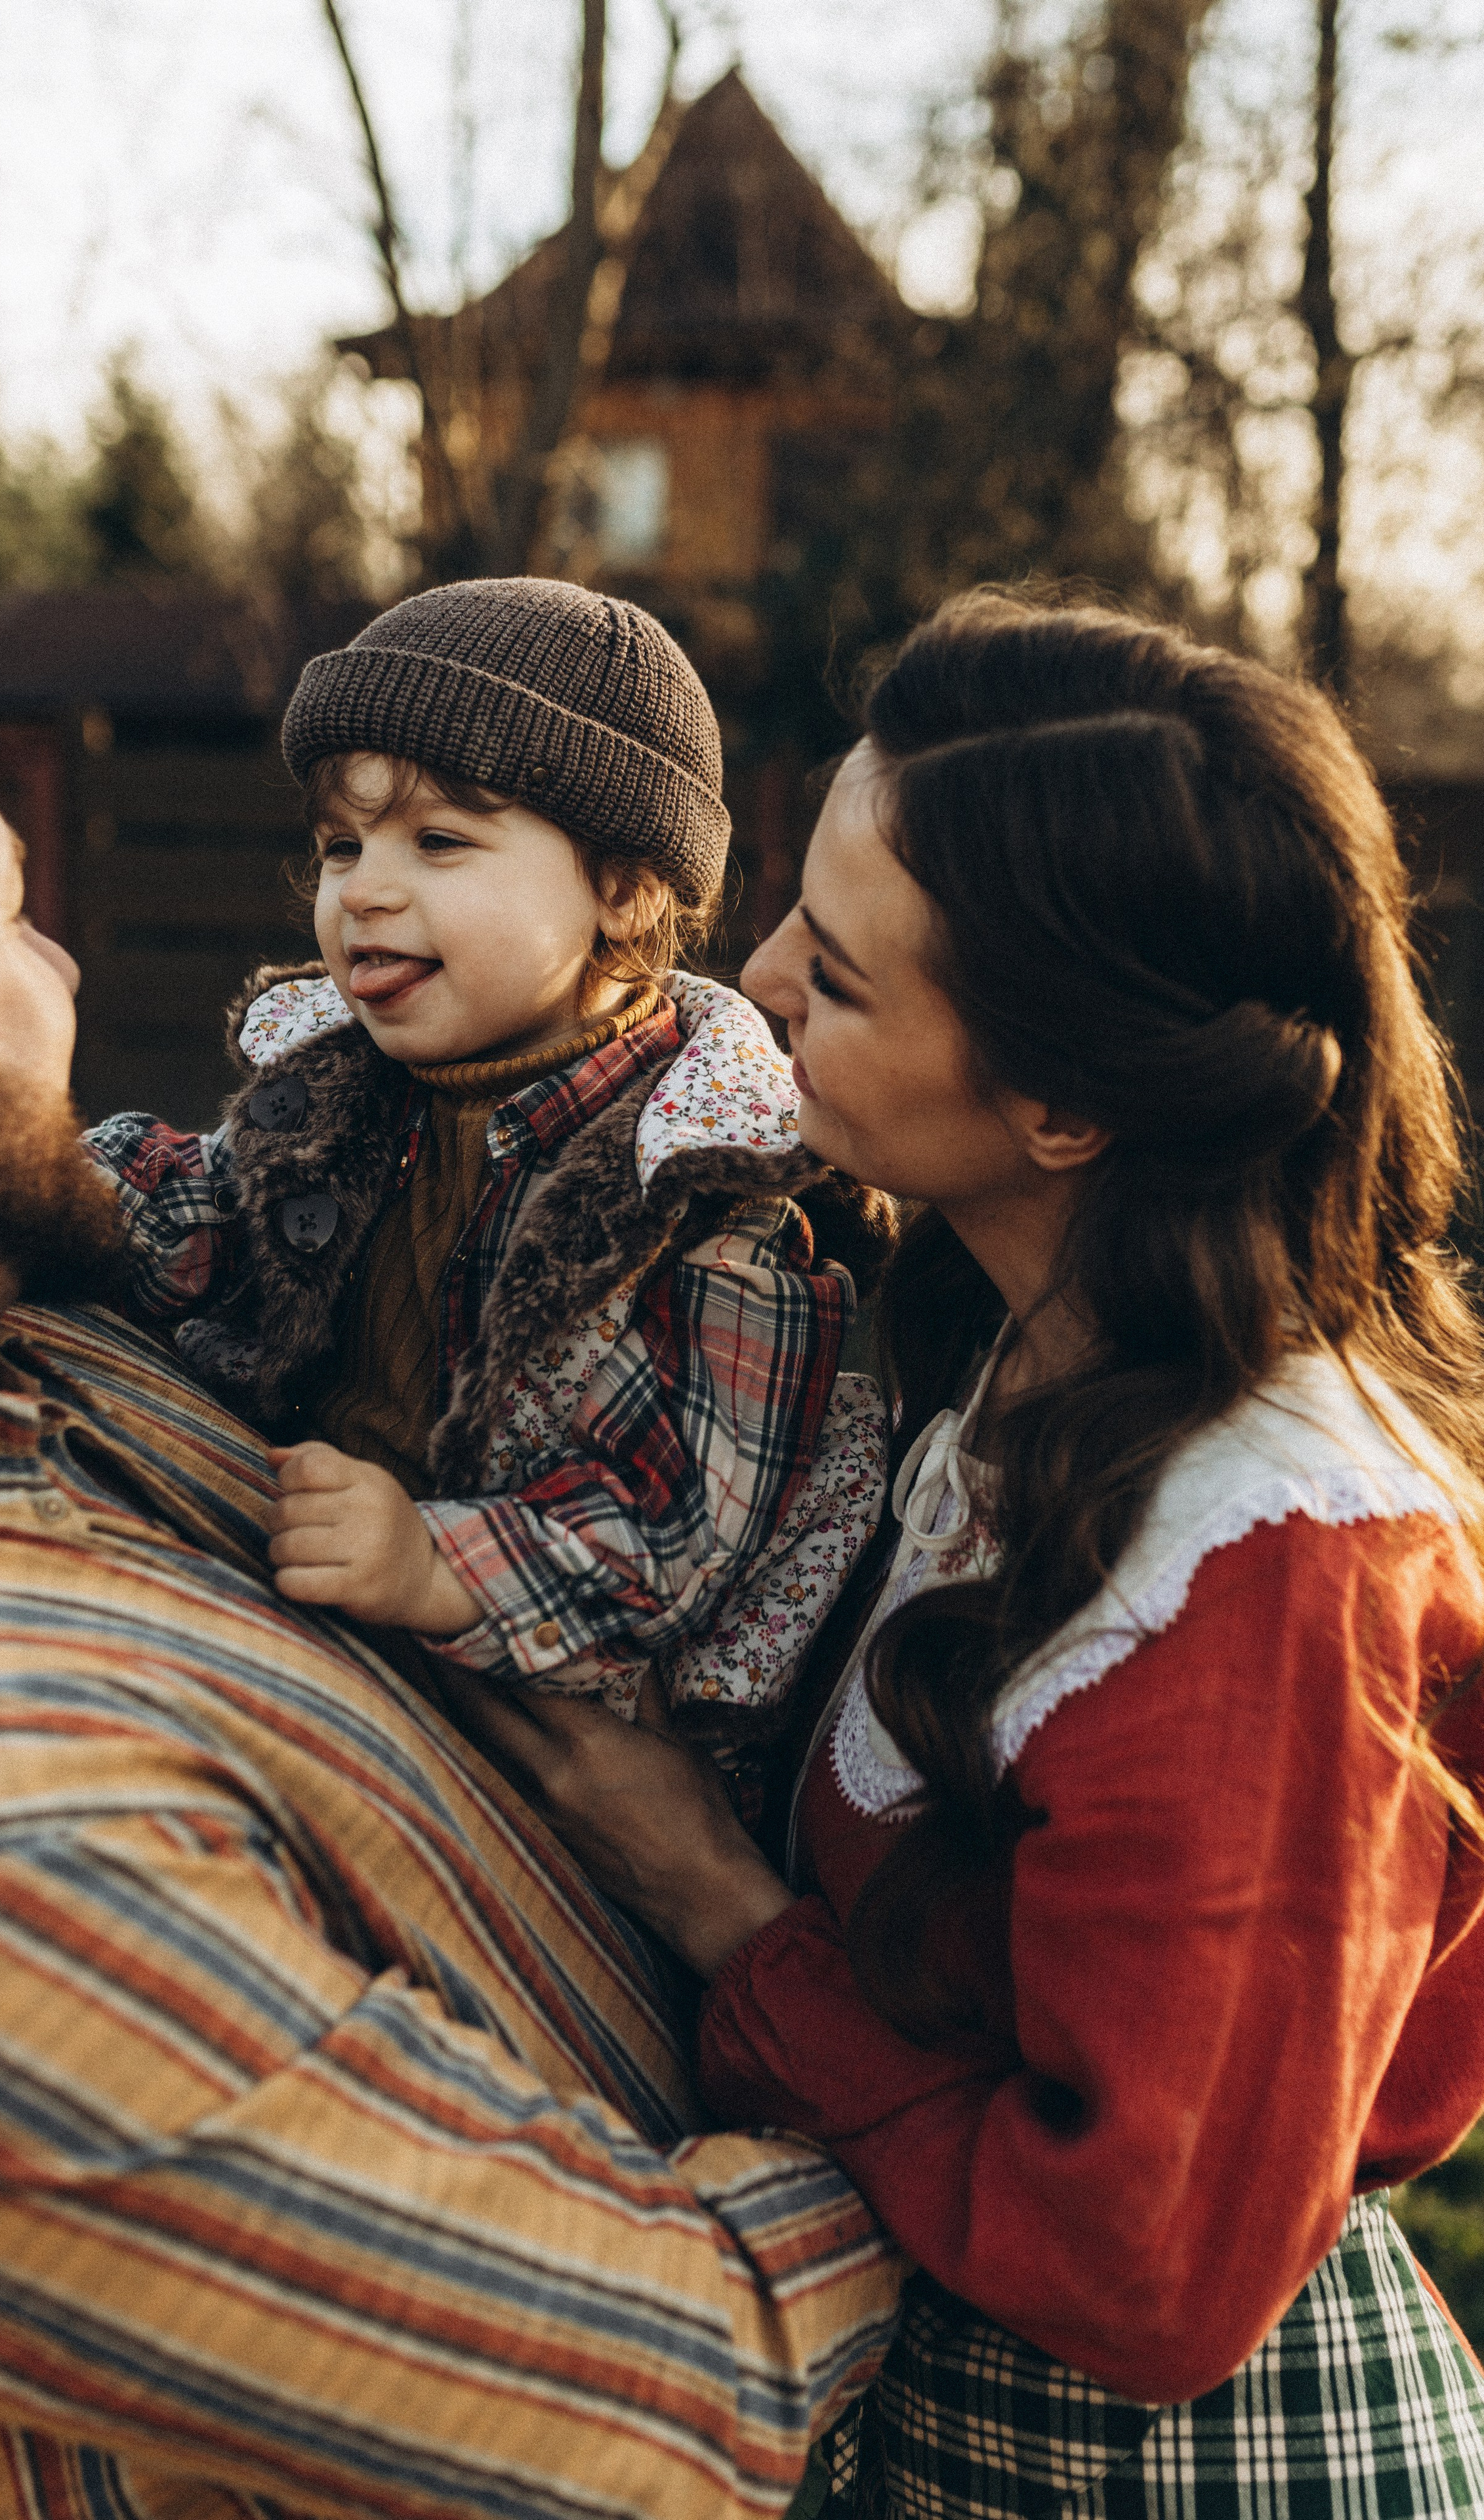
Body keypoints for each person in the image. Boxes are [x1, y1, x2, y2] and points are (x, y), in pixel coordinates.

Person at [0, 644, 903, 2520]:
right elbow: (689, 2397)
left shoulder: (56, 1362)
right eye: (6, 908)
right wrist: (929, 2114)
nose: (69, 966)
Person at [453, 592, 1484, 2518]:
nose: (750, 978)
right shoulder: (994, 1349)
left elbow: (1153, 2272)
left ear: (1067, 1105)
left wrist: (713, 1904)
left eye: (836, 978)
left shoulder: (1269, 1566)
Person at [89, 578, 890, 1797]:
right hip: (325, 1617)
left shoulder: (702, 1188)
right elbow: (198, 1214)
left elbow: (670, 1531)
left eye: (440, 843)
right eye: (342, 846)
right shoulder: (340, 1090)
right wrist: (43, 1180)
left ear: (624, 888)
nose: (364, 888)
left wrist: (431, 1561)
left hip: (567, 1728)